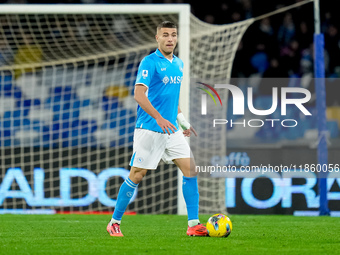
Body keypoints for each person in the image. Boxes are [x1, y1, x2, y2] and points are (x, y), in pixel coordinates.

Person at [106, 21, 208, 237]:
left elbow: (172, 98)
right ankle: (114, 222)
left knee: (191, 169)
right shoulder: (149, 62)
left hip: (171, 130)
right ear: (157, 38)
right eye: (165, 35)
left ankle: (193, 224)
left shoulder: (178, 64)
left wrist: (182, 121)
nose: (170, 39)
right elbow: (138, 94)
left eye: (173, 35)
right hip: (150, 128)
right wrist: (160, 118)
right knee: (137, 174)